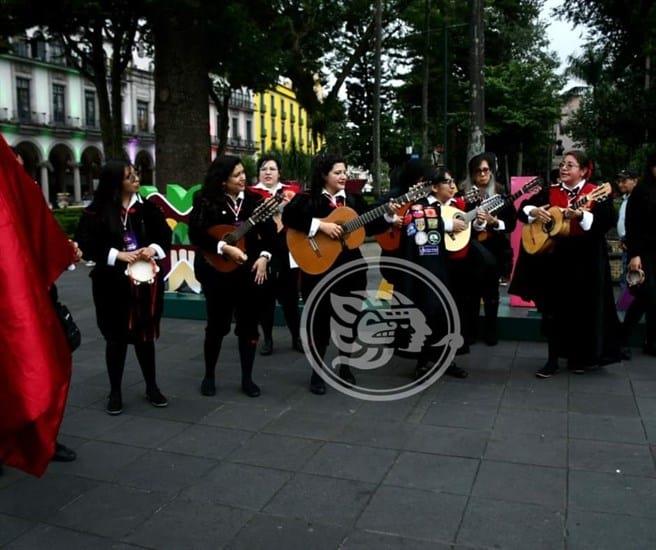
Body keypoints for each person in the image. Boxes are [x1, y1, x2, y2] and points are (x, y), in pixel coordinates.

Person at [0, 135, 80, 476]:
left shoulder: (21, 194)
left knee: (40, 359)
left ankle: (43, 436)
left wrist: (61, 251)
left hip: (34, 296)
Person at [282, 153, 389, 394]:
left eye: (345, 171)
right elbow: (290, 216)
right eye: (338, 172)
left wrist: (390, 215)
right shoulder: (308, 199)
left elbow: (372, 225)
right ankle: (317, 372)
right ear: (324, 175)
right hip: (317, 269)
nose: (343, 176)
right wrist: (321, 225)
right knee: (318, 322)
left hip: (351, 269)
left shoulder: (353, 199)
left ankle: (345, 365)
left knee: (348, 319)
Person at [510, 150, 621, 377]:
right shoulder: (550, 192)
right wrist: (535, 212)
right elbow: (523, 210)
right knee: (553, 311)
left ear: (583, 171)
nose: (563, 168)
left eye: (570, 165)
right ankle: (552, 360)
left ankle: (578, 358)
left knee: (582, 311)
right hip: (555, 261)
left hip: (585, 261)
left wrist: (581, 215)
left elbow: (606, 221)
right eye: (562, 164)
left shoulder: (594, 193)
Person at [75, 160, 171, 415]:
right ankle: (115, 391)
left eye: (136, 174)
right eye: (130, 176)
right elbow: (85, 244)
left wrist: (151, 249)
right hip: (111, 285)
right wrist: (118, 255)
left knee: (145, 338)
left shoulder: (148, 209)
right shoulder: (96, 212)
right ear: (116, 182)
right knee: (115, 339)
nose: (136, 179)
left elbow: (164, 236)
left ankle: (151, 386)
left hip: (145, 286)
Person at [189, 155, 274, 398]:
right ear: (222, 180)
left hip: (248, 273)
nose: (243, 178)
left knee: (248, 327)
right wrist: (223, 248)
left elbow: (270, 235)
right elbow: (197, 234)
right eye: (237, 175)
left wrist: (264, 257)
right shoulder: (205, 200)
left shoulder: (257, 201)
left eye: (244, 173)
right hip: (216, 272)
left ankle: (247, 378)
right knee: (217, 326)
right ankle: (209, 375)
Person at [390, 167, 469, 379]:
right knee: (428, 312)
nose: (453, 186)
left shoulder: (456, 206)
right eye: (447, 182)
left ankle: (446, 360)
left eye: (454, 181)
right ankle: (423, 362)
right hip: (427, 270)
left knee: (449, 316)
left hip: (452, 269)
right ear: (434, 187)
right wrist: (449, 224)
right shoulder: (419, 207)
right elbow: (420, 225)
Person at [461, 153, 516, 346]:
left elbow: (511, 223)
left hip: (495, 249)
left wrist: (495, 222)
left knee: (492, 294)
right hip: (470, 249)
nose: (482, 174)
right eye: (478, 171)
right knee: (470, 294)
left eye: (486, 170)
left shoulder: (501, 192)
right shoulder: (464, 193)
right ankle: (470, 332)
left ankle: (491, 332)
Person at [250, 155, 303, 355]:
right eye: (264, 169)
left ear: (279, 172)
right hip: (263, 252)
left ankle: (296, 337)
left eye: (272, 169)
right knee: (265, 296)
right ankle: (268, 339)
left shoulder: (292, 193)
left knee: (290, 296)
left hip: (289, 249)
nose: (268, 172)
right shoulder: (251, 195)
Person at [625, 153, 656, 356]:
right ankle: (622, 337)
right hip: (643, 254)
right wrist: (635, 254)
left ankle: (651, 343)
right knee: (646, 296)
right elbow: (632, 225)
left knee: (652, 299)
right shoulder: (641, 191)